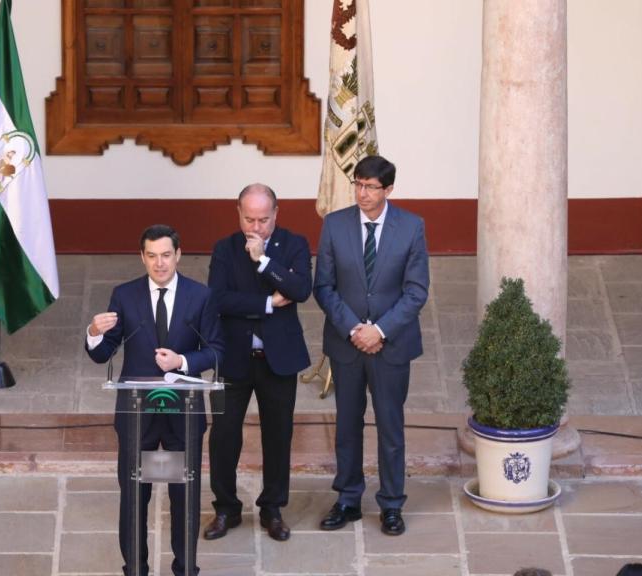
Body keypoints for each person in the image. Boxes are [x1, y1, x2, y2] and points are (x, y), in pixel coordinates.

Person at [85, 224, 224, 576]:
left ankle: (185, 569)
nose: (159, 264)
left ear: (178, 254)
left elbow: (217, 351)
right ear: (142, 257)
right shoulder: (125, 295)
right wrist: (93, 333)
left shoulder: (200, 296)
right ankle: (135, 569)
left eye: (166, 255)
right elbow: (104, 354)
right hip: (138, 415)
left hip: (182, 414)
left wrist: (182, 362)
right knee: (134, 498)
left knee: (184, 498)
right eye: (152, 256)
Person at [313, 155, 429, 537]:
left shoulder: (411, 227)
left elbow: (416, 291)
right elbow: (324, 287)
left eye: (371, 187)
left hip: (390, 346)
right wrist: (354, 329)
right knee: (347, 426)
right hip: (347, 345)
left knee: (390, 427)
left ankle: (392, 504)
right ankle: (348, 498)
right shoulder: (335, 224)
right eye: (358, 184)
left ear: (389, 189)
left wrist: (379, 330)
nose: (363, 193)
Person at [203, 183, 312, 542]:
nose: (256, 227)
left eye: (264, 220)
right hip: (232, 358)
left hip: (278, 359)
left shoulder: (293, 245)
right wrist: (266, 304)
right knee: (223, 436)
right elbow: (217, 300)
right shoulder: (224, 249)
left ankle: (272, 508)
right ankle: (226, 508)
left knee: (278, 435)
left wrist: (263, 260)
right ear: (238, 214)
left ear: (276, 214)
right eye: (249, 219)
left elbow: (300, 290)